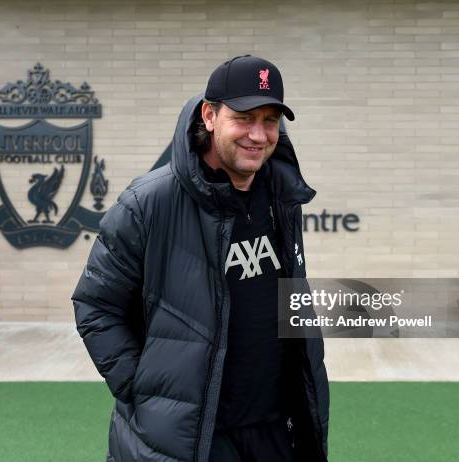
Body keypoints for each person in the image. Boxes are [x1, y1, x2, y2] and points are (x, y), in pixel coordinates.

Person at [72, 55, 329, 462]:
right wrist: (141, 389)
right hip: (195, 437)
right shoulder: (147, 204)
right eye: (244, 118)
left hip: (277, 429)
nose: (258, 135)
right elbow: (95, 305)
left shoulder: (281, 194)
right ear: (209, 116)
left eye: (270, 120)